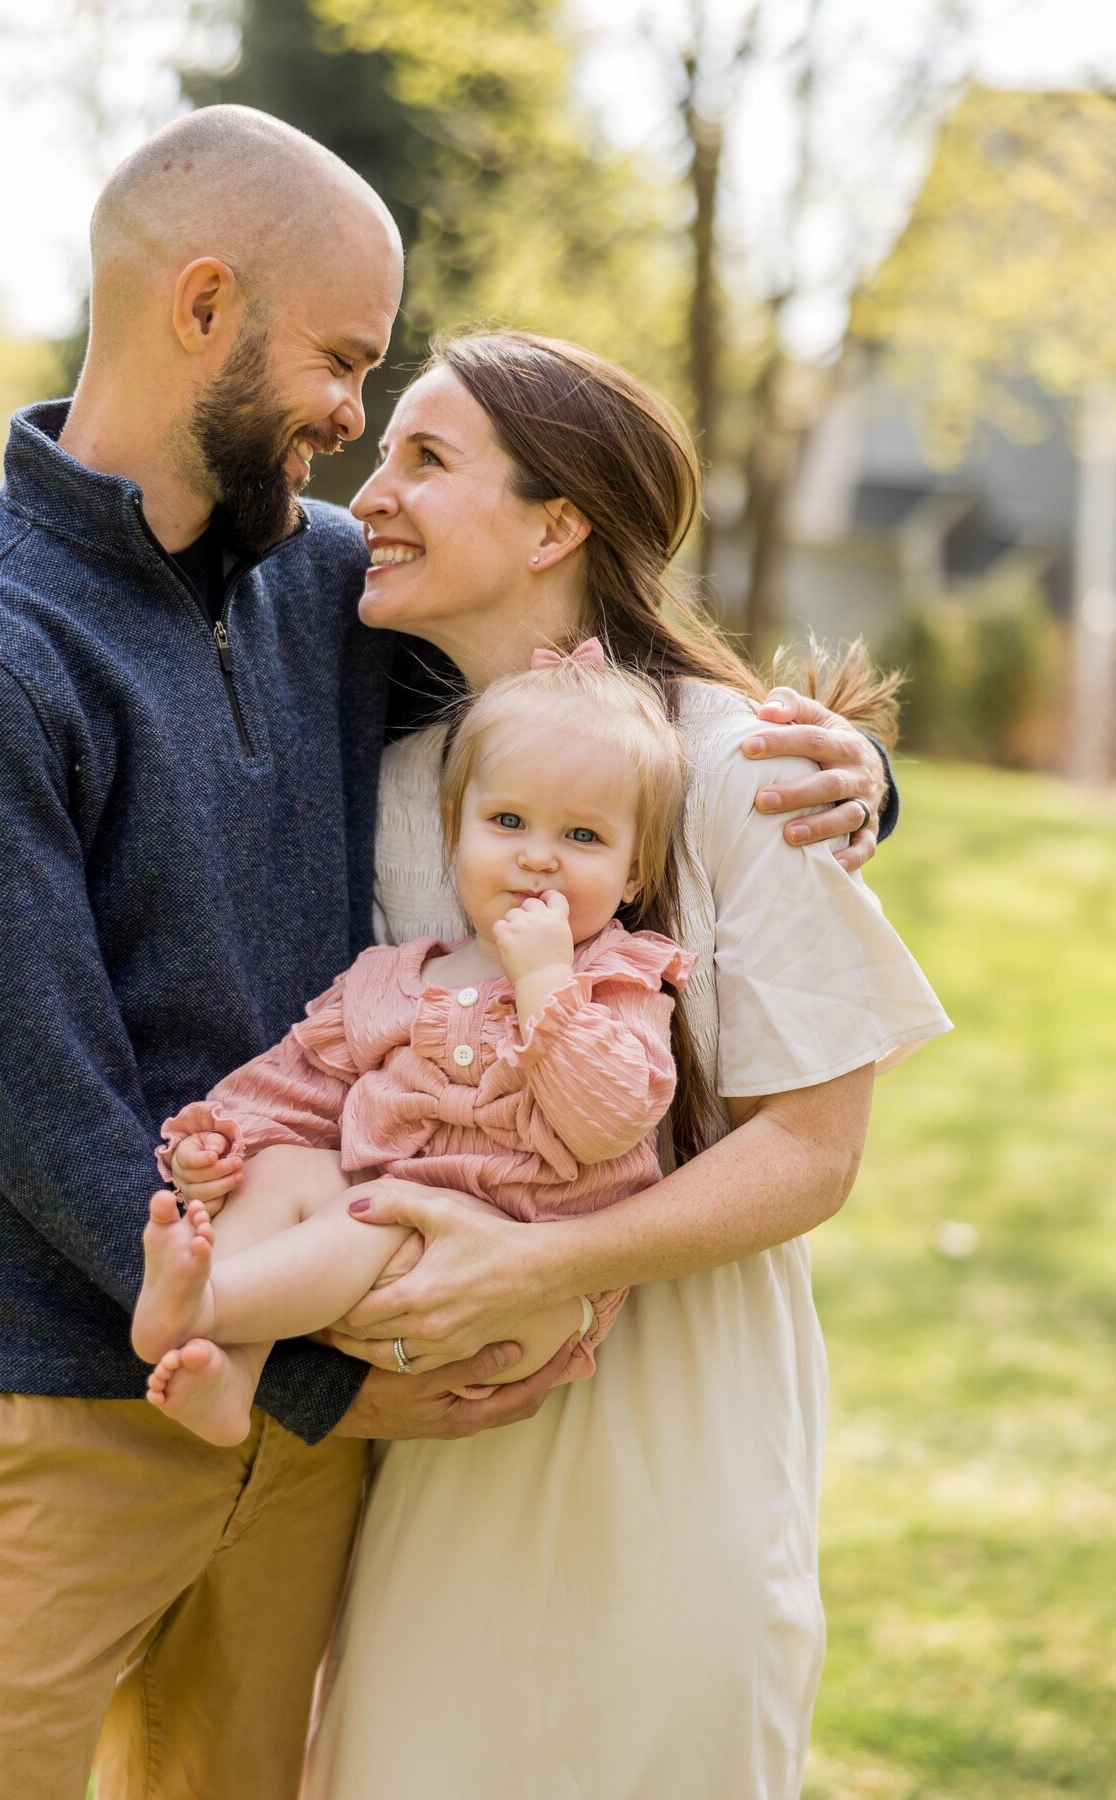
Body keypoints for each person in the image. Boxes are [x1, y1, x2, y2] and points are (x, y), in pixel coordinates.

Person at [0, 102, 898, 1799]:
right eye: (344, 363)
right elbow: (46, 1121)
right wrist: (300, 1377)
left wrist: (860, 784)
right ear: (203, 305)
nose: (357, 430)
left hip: (321, 1452)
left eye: (391, 404)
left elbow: (608, 727)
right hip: (70, 1408)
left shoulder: (325, 593)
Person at [292, 330, 953, 1799]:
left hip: (672, 1410)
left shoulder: (739, 766)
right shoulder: (396, 775)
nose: (368, 495)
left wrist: (531, 1270)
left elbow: (811, 1153)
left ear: (556, 522)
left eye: (425, 458)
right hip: (444, 1429)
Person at [133, 648, 699, 1445]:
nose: (539, 856)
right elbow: (294, 1085)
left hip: (523, 1284)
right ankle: (234, 1369)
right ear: (452, 832)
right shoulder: (393, 980)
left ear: (634, 872)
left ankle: (210, 1302)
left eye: (581, 835)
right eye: (508, 823)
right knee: (289, 1167)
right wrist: (219, 1142)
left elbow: (607, 1121)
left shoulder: (616, 980)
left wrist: (545, 982)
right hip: (379, 1250)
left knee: (380, 1214)